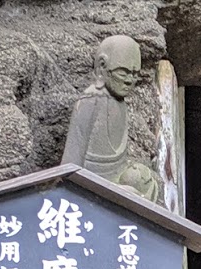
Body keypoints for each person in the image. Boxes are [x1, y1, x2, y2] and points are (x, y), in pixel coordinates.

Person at [62, 34, 159, 202]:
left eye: (135, 74)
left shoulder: (120, 104)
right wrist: (114, 190)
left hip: (115, 181)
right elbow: (69, 168)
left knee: (148, 181)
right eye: (123, 72)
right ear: (102, 66)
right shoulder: (89, 102)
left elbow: (119, 166)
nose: (130, 80)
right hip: (90, 188)